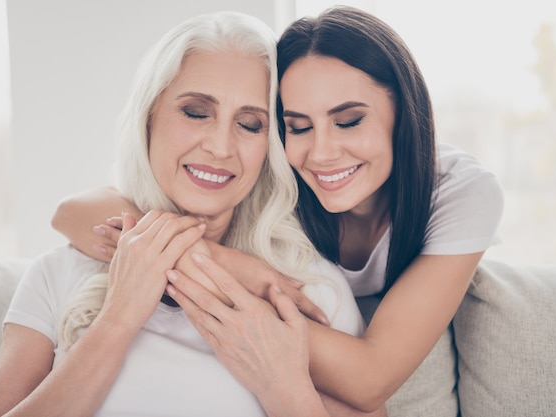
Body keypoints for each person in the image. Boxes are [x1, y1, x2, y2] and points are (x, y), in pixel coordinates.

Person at [53, 5, 504, 413]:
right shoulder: (282, 179)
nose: (322, 153)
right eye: (298, 126)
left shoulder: (458, 190)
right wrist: (214, 261)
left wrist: (219, 264)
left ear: (403, 112)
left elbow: (370, 381)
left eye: (349, 120)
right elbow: (74, 211)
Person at [0, 10, 384, 417]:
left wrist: (285, 391)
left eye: (250, 124)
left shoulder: (308, 290)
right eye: (196, 112)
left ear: (270, 146)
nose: (220, 146)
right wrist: (118, 320)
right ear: (149, 117)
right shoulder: (56, 275)